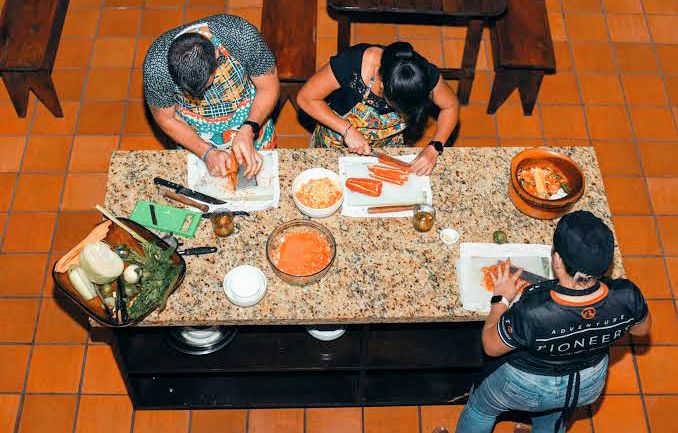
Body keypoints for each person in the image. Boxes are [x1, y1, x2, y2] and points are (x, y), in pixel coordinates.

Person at [455, 211, 652, 433]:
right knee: (554, 415)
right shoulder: (628, 295)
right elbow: (641, 330)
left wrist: (501, 298)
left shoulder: (534, 310)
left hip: (525, 383)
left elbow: (490, 346)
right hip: (586, 384)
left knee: (481, 409)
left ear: (557, 260)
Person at [143, 14, 279, 180]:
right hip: (194, 135)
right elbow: (167, 119)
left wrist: (249, 129)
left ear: (216, 54)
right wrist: (205, 152)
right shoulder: (156, 68)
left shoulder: (241, 36)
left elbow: (268, 88)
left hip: (251, 119)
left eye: (206, 85)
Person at [297, 41, 459, 176]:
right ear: (381, 86)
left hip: (387, 147)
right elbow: (306, 97)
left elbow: (450, 106)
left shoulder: (421, 74)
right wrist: (347, 130)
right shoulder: (352, 63)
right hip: (335, 141)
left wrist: (435, 147)